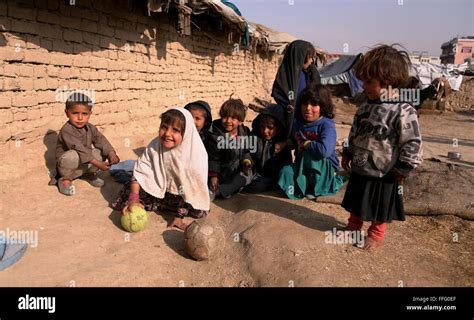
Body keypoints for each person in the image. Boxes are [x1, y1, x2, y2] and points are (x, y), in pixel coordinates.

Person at [341, 44, 423, 250]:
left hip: (385, 170)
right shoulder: (364, 106)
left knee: (380, 204)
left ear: (388, 82)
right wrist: (348, 151)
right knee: (357, 198)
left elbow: (412, 140)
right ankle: (353, 227)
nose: (364, 87)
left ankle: (376, 234)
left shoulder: (402, 110)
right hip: (361, 165)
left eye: (369, 82)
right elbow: (355, 132)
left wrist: (404, 167)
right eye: (363, 82)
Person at [113, 108, 210, 231]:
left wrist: (179, 217)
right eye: (164, 127)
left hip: (180, 198)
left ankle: (169, 208)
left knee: (200, 210)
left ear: (186, 134)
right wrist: (133, 200)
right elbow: (140, 172)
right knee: (127, 194)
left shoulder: (195, 155)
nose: (167, 134)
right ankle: (151, 203)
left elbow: (192, 188)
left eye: (175, 130)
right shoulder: (155, 145)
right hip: (160, 191)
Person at [278, 84, 344, 200]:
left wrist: (307, 144)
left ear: (322, 107)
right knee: (286, 172)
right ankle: (304, 188)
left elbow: (325, 151)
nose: (307, 108)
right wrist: (285, 144)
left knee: (310, 155)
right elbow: (295, 141)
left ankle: (321, 187)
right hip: (303, 167)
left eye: (314, 104)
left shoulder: (326, 125)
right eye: (305, 103)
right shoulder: (298, 123)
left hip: (324, 169)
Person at [55, 92, 119, 196]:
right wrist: (99, 164)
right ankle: (65, 180)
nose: (80, 118)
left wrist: (111, 153)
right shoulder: (66, 130)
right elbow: (79, 149)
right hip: (68, 167)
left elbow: (101, 140)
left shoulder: (90, 128)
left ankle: (88, 174)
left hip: (83, 165)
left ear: (90, 114)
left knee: (99, 151)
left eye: (84, 114)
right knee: (73, 155)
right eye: (75, 113)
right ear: (67, 113)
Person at [271, 40, 321, 136]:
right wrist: (288, 105)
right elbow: (278, 93)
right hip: (288, 118)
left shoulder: (310, 74)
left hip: (306, 118)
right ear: (301, 57)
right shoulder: (287, 74)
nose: (311, 61)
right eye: (310, 57)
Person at [206, 98, 253, 200]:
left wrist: (246, 161)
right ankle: (218, 190)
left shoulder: (243, 132)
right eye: (225, 117)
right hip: (220, 172)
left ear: (240, 121)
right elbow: (214, 158)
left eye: (233, 118)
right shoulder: (215, 134)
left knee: (247, 177)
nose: (228, 121)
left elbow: (245, 151)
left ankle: (220, 191)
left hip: (235, 171)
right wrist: (214, 176)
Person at [244, 104, 292, 193]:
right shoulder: (255, 137)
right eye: (262, 127)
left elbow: (285, 167)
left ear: (279, 127)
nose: (265, 131)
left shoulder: (282, 144)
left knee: (256, 186)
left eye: (270, 128)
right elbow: (247, 152)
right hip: (255, 174)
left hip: (273, 178)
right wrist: (247, 161)